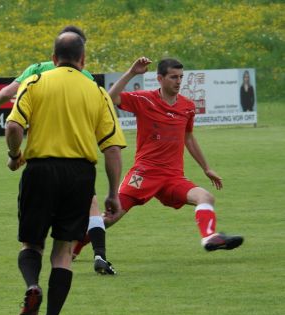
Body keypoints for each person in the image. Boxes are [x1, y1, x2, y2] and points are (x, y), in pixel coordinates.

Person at [6, 32, 125, 315]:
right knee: (63, 251)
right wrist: (112, 193)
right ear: (83, 60)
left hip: (40, 170)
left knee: (31, 245)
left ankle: (32, 285)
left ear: (54, 57)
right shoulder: (97, 92)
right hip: (80, 175)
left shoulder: (35, 82)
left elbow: (13, 126)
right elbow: (112, 149)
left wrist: (15, 154)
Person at [0, 25, 117, 275]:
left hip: (41, 156)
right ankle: (100, 254)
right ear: (82, 53)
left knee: (33, 239)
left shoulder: (36, 71)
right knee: (91, 207)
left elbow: (10, 94)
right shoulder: (85, 77)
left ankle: (33, 281)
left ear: (55, 53)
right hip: (77, 158)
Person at [81, 56, 243, 253]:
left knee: (205, 197)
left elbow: (189, 138)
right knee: (111, 216)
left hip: (172, 177)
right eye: (173, 77)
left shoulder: (187, 107)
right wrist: (132, 72)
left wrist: (206, 168)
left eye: (180, 77)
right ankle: (74, 246)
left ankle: (209, 237)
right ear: (160, 79)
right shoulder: (144, 99)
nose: (178, 82)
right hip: (144, 174)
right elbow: (110, 98)